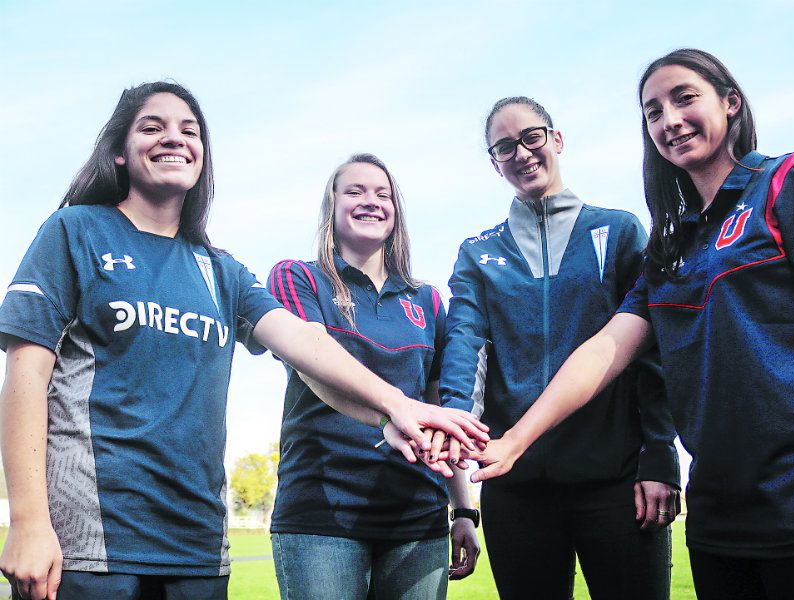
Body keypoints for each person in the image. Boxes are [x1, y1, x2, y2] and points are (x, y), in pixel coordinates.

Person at [0, 82, 486, 600]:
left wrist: (395, 409)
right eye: (152, 127)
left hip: (199, 549)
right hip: (93, 546)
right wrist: (27, 520)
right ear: (119, 150)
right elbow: (26, 376)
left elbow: (304, 344)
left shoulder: (221, 270)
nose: (174, 139)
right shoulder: (75, 232)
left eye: (190, 131)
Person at [470, 49, 794, 600]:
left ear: (731, 102)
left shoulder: (793, 178)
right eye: (652, 112)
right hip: (719, 525)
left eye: (684, 97)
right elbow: (606, 351)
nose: (668, 119)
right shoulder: (671, 248)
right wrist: (514, 442)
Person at [439, 96, 681, 599]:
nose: (522, 153)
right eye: (505, 147)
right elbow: (466, 342)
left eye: (532, 137)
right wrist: (456, 421)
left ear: (556, 140)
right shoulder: (478, 253)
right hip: (515, 484)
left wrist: (659, 455)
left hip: (618, 483)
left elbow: (650, 350)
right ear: (494, 162)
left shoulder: (618, 230)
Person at [266, 153, 480, 600]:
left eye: (383, 193)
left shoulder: (427, 300)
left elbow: (439, 407)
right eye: (356, 191)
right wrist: (390, 413)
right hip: (323, 516)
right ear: (333, 205)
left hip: (417, 518)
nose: (371, 201)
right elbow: (311, 363)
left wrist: (463, 509)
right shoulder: (297, 277)